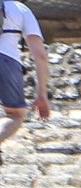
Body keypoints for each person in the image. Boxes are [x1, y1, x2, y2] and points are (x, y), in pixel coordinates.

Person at [0, 0, 49, 159]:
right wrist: (42, 93)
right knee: (15, 114)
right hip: (7, 62)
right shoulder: (21, 10)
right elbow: (40, 55)